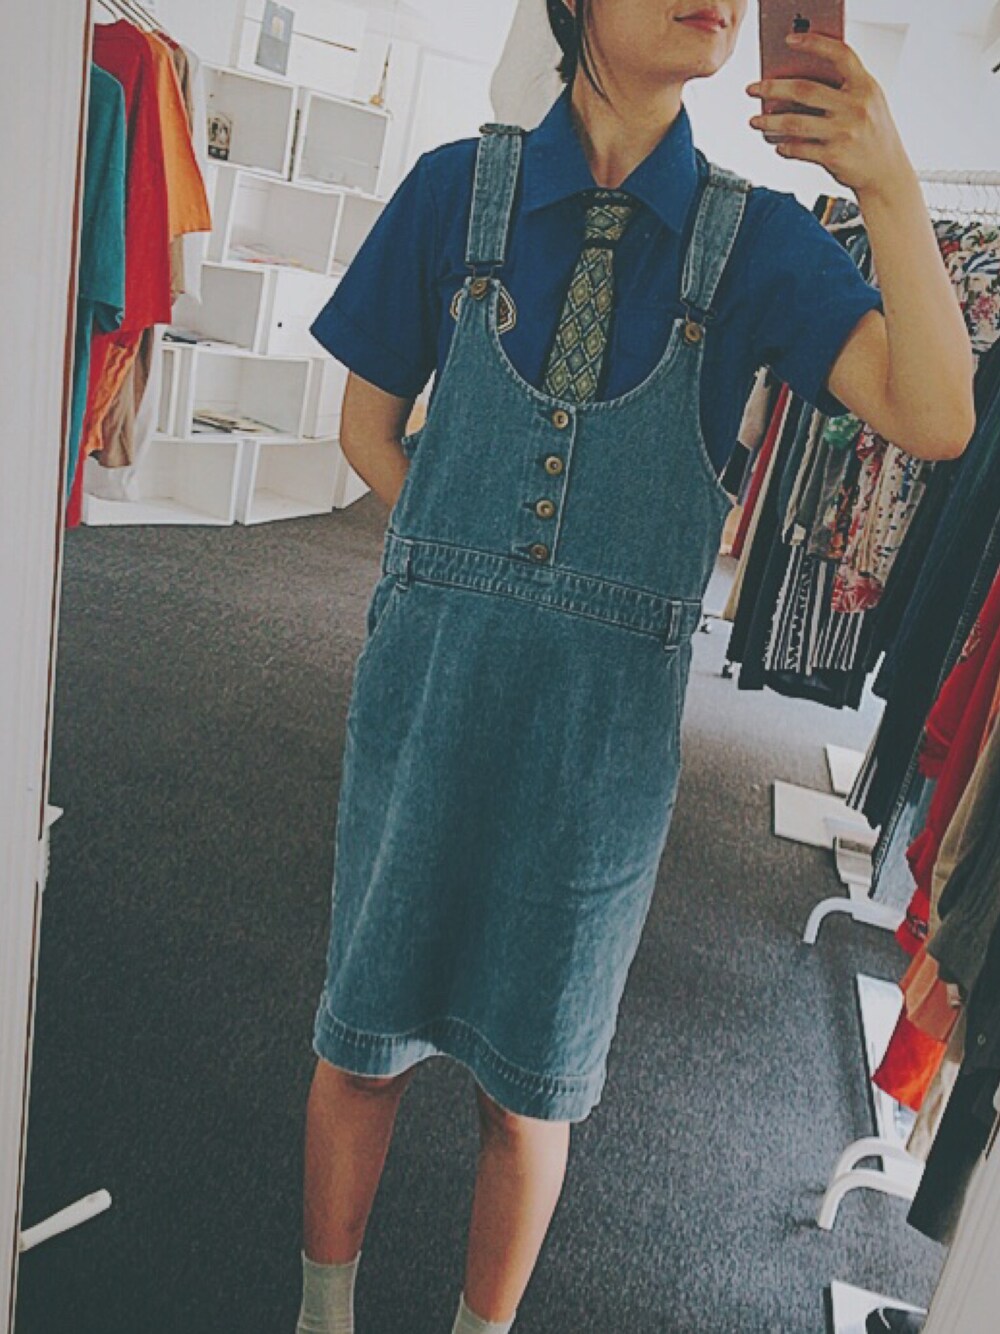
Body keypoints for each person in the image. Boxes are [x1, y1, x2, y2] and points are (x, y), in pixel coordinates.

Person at [296, 2, 976, 1331]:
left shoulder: (759, 242)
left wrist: (888, 181)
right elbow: (367, 430)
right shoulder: (453, 191)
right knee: (361, 1042)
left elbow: (941, 414)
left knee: (531, 1088)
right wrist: (460, 566)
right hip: (429, 706)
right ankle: (320, 1316)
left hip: (600, 753)